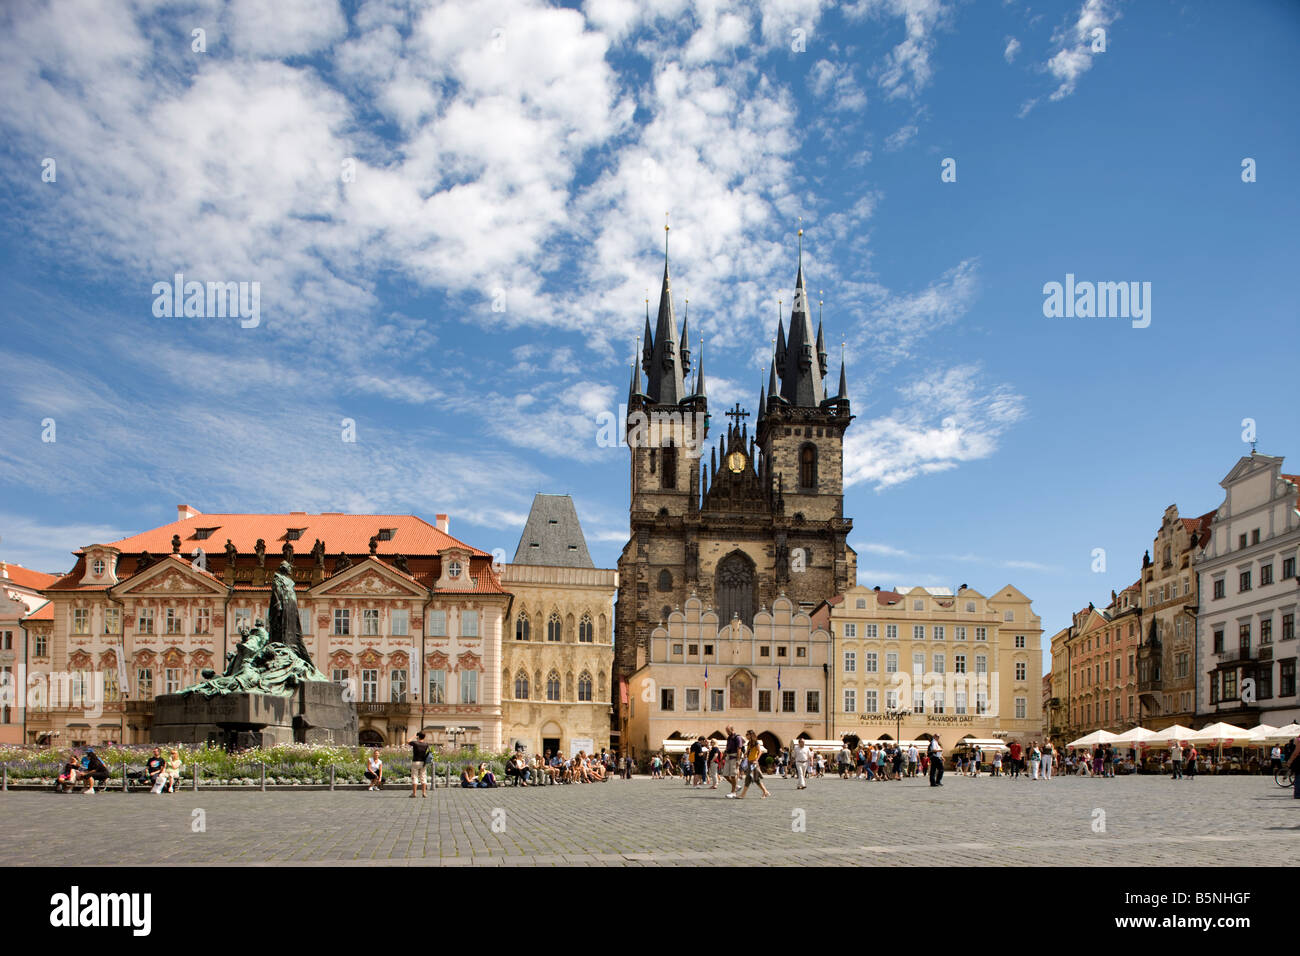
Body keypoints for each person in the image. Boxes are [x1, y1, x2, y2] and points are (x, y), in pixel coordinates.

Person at [737, 730, 770, 799]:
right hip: (749, 762)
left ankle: (743, 795)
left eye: (747, 734)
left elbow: (760, 752)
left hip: (753, 763)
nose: (746, 735)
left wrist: (756, 760)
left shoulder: (756, 743)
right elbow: (748, 751)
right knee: (755, 779)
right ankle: (765, 792)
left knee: (749, 779)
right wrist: (745, 755)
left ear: (751, 735)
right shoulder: (749, 743)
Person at [409, 731, 430, 798]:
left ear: (418, 736)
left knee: (414, 777)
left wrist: (414, 736)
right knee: (423, 777)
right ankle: (424, 793)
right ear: (424, 737)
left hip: (415, 761)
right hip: (423, 762)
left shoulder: (415, 743)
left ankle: (414, 793)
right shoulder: (426, 744)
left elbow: (408, 741)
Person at [723, 726, 742, 795]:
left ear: (732, 729)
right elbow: (727, 748)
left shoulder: (737, 737)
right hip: (728, 757)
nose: (727, 732)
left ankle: (733, 792)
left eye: (728, 731)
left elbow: (739, 749)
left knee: (733, 775)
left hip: (734, 757)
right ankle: (736, 786)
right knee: (725, 775)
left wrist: (738, 760)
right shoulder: (729, 738)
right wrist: (723, 757)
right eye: (726, 731)